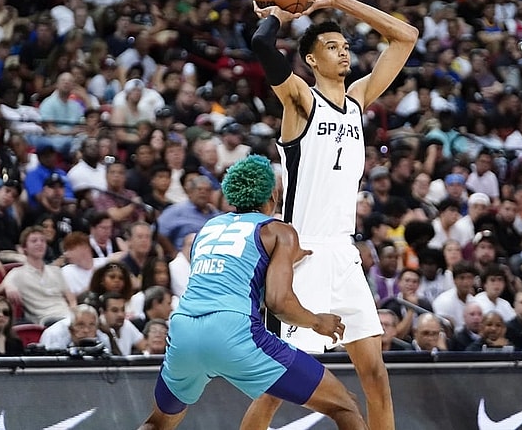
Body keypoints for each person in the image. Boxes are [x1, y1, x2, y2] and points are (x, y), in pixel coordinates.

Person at [242, 0, 418, 430]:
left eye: (345, 46)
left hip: (344, 253)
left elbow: (406, 37)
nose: (343, 53)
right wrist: (280, 14)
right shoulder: (300, 100)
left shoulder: (357, 100)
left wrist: (339, 1)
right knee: (280, 386)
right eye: (331, 47)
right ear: (311, 61)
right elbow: (263, 45)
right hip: (302, 255)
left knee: (375, 374)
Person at [139, 155, 366, 430]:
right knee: (344, 405)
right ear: (272, 193)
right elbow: (278, 302)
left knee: (159, 423)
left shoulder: (207, 228)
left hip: (183, 328)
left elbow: (231, 268)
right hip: (233, 329)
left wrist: (279, 260)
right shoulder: (278, 231)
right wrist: (318, 321)